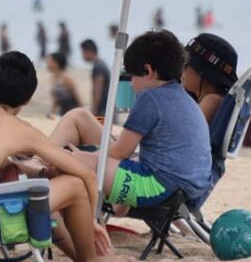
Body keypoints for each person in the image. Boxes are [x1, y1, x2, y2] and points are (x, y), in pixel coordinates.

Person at [0, 51, 132, 262]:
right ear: (27, 99)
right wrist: (93, 223)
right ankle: (91, 259)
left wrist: (40, 173)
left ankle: (78, 255)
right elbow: (87, 175)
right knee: (74, 186)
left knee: (39, 192)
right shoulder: (19, 130)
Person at [49, 30, 213, 211]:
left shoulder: (150, 98)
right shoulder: (183, 98)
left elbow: (120, 152)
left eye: (132, 76)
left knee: (72, 162)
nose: (131, 84)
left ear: (148, 71)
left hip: (157, 187)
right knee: (80, 118)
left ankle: (40, 164)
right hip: (187, 188)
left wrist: (83, 157)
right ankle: (43, 159)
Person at [179, 33, 237, 123]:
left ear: (202, 73)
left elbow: (185, 133)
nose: (182, 70)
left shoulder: (212, 101)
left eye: (186, 64)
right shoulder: (219, 99)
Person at [80, 39, 110, 117]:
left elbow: (98, 90)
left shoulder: (98, 67)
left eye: (83, 52)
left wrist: (94, 109)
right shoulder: (101, 63)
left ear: (88, 51)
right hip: (108, 106)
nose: (82, 55)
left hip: (103, 107)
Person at [46, 51, 82, 117]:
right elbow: (56, 99)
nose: (47, 63)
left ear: (57, 63)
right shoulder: (53, 78)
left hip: (72, 113)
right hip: (62, 113)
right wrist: (52, 112)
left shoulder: (66, 78)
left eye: (50, 61)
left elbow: (78, 99)